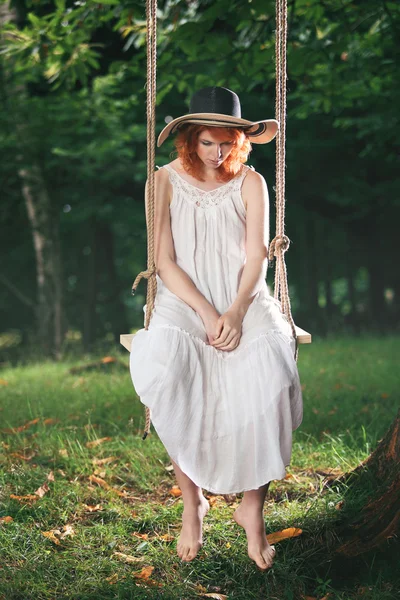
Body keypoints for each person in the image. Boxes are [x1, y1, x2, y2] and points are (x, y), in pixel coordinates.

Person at [129, 86, 303, 571]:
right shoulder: (162, 182)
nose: (219, 152)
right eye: (209, 142)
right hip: (184, 297)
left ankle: (253, 506)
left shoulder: (251, 182)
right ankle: (193, 501)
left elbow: (255, 258)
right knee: (171, 364)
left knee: (272, 363)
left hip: (242, 294)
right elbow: (162, 260)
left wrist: (235, 310)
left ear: (240, 140)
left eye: (228, 142)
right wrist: (208, 314)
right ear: (189, 139)